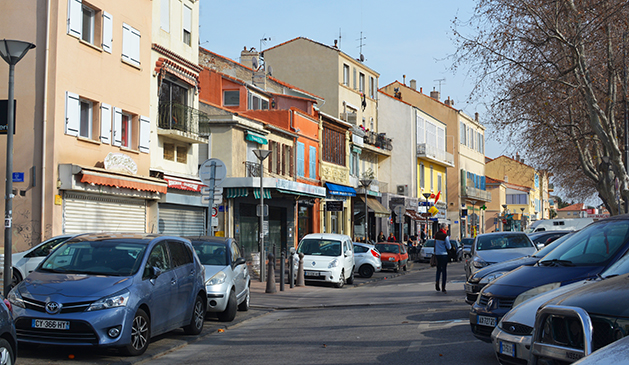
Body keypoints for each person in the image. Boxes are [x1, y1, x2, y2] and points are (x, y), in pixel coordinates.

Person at [434, 223, 452, 293]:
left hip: (437, 254)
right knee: (444, 271)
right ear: (444, 228)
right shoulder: (445, 236)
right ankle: (443, 287)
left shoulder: (436, 235)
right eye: (447, 228)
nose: (447, 229)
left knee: (438, 270)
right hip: (444, 254)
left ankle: (437, 282)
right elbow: (449, 247)